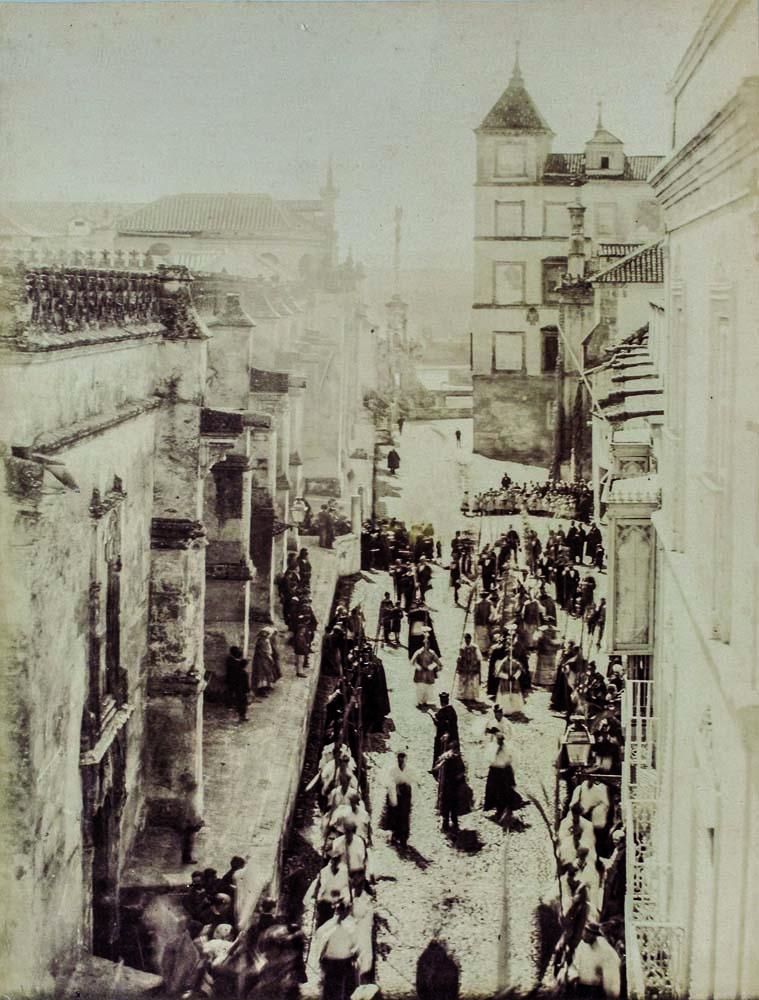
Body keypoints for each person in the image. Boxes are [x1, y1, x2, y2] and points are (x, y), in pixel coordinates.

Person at [313, 899, 359, 1000]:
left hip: (344, 962)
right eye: (340, 909)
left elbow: (356, 943)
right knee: (332, 991)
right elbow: (320, 936)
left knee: (344, 991)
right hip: (333, 962)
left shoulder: (350, 924)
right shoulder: (332, 925)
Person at [483, 732, 527, 827]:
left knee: (505, 791)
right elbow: (487, 758)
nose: (500, 742)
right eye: (498, 740)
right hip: (495, 771)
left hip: (505, 771)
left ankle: (505, 810)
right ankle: (498, 810)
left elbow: (514, 758)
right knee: (494, 791)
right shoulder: (491, 747)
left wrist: (511, 772)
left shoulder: (508, 747)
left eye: (501, 740)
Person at [433, 736, 469, 834]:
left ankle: (452, 823)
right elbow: (438, 766)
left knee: (451, 804)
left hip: (452, 784)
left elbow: (462, 771)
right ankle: (447, 823)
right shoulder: (449, 757)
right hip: (449, 784)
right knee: (449, 804)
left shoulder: (453, 757)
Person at [384, 749, 414, 848]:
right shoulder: (393, 769)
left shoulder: (409, 769)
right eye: (399, 757)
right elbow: (389, 781)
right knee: (394, 814)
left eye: (402, 757)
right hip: (395, 792)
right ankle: (394, 834)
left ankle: (403, 838)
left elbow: (412, 780)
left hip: (405, 794)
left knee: (404, 815)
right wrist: (395, 788)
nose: (400, 759)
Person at [410, 633, 443, 708]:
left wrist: (433, 666)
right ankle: (419, 702)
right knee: (420, 688)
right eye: (426, 644)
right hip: (420, 674)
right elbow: (412, 661)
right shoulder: (419, 652)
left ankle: (425, 701)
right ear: (423, 644)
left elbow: (438, 662)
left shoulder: (432, 653)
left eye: (428, 644)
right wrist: (418, 667)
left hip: (428, 674)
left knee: (427, 688)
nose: (427, 645)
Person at [430, 692, 459, 766]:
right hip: (453, 736)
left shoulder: (442, 711)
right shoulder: (452, 710)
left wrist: (432, 716)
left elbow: (438, 723)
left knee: (439, 752)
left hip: (442, 736)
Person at [251, 626, 281, 695]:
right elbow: (265, 651)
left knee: (267, 672)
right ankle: (261, 690)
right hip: (262, 659)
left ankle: (266, 687)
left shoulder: (265, 640)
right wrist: (270, 658)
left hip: (264, 659)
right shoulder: (262, 641)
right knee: (262, 673)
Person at [455, 633, 482, 703]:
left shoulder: (475, 647)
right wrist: (459, 660)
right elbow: (460, 657)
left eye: (468, 639)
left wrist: (476, 665)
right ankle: (462, 695)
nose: (467, 641)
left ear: (470, 639)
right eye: (466, 639)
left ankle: (472, 696)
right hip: (464, 667)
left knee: (472, 681)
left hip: (472, 666)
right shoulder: (462, 648)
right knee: (463, 681)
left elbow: (479, 657)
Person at [225, 646, 250, 721]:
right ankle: (242, 715)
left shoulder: (230, 661)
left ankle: (233, 708)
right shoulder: (243, 673)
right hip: (239, 686)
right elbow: (245, 683)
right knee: (242, 701)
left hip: (232, 682)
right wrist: (247, 690)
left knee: (234, 696)